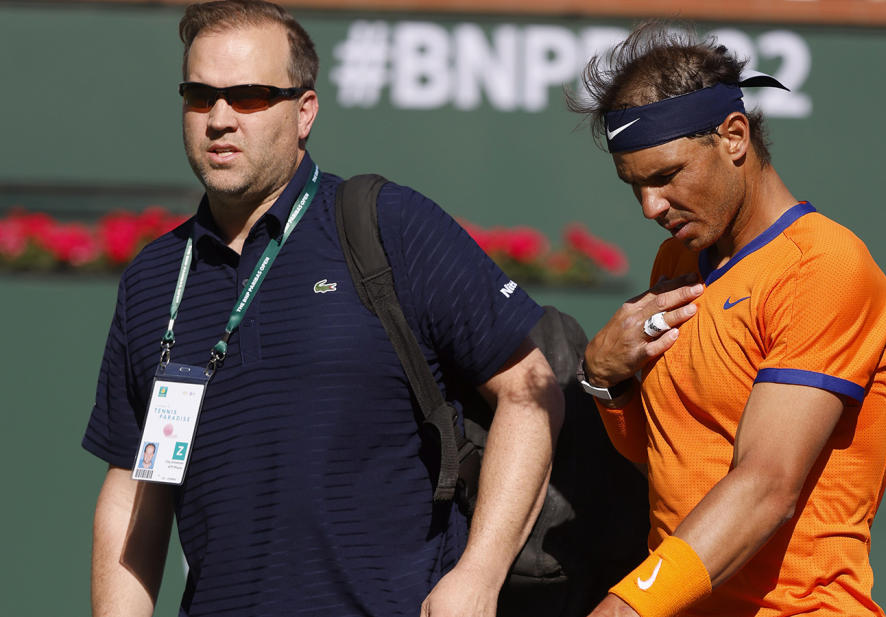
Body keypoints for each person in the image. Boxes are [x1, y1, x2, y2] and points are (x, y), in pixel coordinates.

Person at [82, 2, 563, 616]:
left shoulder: (387, 225)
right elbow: (133, 488)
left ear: (304, 111)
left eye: (250, 96)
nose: (220, 119)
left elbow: (531, 389)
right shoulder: (155, 278)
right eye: (200, 95)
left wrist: (478, 575)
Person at [570, 24, 886, 617]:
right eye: (635, 186)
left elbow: (766, 484)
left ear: (733, 136)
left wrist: (627, 607)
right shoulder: (677, 259)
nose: (650, 207)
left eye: (665, 176)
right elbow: (668, 457)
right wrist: (606, 379)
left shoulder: (823, 267)